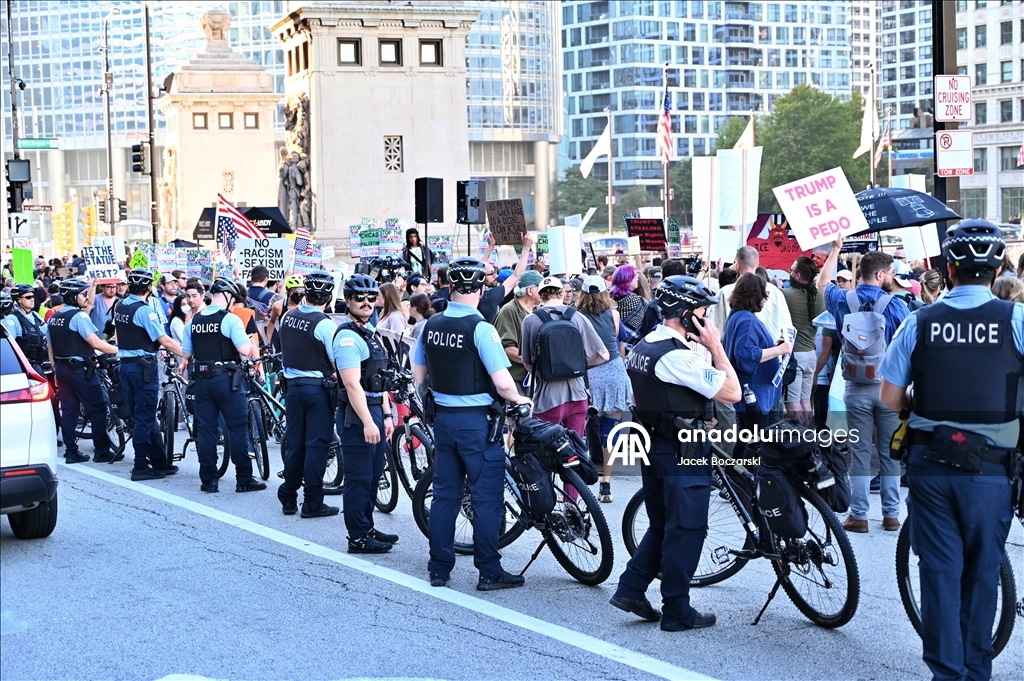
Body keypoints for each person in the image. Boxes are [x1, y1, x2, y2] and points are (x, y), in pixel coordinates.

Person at [879, 221, 1020, 681]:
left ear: (948, 268)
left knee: (939, 572)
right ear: (998, 268)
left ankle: (946, 674)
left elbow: (890, 396)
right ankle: (976, 670)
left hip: (930, 464)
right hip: (991, 469)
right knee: (982, 574)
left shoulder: (918, 321)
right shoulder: (1017, 320)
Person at [610, 275, 741, 631]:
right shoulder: (677, 357)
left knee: (661, 523)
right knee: (688, 526)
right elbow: (732, 392)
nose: (707, 320)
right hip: (682, 448)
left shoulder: (644, 345)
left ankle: (632, 588)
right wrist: (716, 348)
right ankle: (677, 610)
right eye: (702, 312)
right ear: (686, 315)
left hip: (655, 444)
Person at [413, 257, 533, 590]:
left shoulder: (430, 325)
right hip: (477, 423)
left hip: (444, 420)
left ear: (449, 288)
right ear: (481, 289)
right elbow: (504, 382)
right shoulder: (482, 328)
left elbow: (419, 376)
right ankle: (490, 571)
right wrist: (521, 401)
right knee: (486, 497)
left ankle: (438, 568)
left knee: (445, 496)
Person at [817, 241, 908, 533]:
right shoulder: (897, 305)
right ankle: (892, 515)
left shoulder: (843, 300)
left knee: (859, 452)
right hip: (889, 387)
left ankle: (859, 515)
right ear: (880, 275)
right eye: (891, 272)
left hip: (855, 386)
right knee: (889, 451)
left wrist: (835, 250)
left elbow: (822, 282)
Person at [333, 274, 399, 553]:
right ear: (348, 301)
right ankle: (357, 537)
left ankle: (366, 525)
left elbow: (378, 380)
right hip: (356, 414)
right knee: (359, 478)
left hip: (373, 410)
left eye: (371, 297)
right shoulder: (348, 337)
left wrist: (385, 415)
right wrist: (368, 421)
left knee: (373, 476)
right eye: (359, 298)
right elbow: (351, 384)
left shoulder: (369, 333)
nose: (366, 302)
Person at [182, 277, 267, 494]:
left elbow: (187, 353)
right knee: (238, 428)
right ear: (228, 296)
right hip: (227, 381)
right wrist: (249, 343)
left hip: (202, 382)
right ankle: (244, 479)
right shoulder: (230, 320)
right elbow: (245, 350)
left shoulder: (194, 321)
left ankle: (209, 480)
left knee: (207, 430)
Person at [278, 271, 341, 519]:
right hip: (317, 390)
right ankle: (313, 502)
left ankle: (289, 496)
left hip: (293, 389)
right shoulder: (325, 324)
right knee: (317, 446)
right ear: (328, 296)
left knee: (295, 444)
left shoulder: (288, 316)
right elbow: (337, 362)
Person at [113, 268, 184, 481]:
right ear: (149, 287)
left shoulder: (121, 305)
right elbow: (165, 341)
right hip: (143, 368)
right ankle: (140, 466)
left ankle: (160, 461)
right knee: (145, 417)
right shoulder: (145, 311)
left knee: (143, 414)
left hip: (126, 365)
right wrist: (189, 353)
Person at [521, 276, 608, 435]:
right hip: (578, 395)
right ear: (561, 293)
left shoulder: (530, 321)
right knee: (576, 448)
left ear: (541, 295)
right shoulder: (577, 317)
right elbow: (603, 356)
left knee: (548, 449)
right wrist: (579, 366)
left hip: (547, 398)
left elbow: (527, 363)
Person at [48, 279, 119, 464]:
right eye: (82, 293)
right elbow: (96, 343)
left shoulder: (54, 317)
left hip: (63, 369)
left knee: (70, 411)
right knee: (98, 408)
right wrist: (123, 351)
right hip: (80, 370)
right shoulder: (79, 317)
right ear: (73, 296)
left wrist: (56, 368)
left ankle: (71, 451)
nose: (86, 297)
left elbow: (50, 346)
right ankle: (102, 451)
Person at [575, 275, 632, 503]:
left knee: (580, 429)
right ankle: (606, 484)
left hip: (590, 373)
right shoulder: (614, 315)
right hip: (615, 372)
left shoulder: (578, 317)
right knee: (611, 432)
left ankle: (578, 481)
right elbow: (619, 343)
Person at [724, 274, 792, 436]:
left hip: (757, 395)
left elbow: (749, 349)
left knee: (751, 443)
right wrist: (779, 350)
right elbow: (746, 356)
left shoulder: (739, 315)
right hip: (756, 396)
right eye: (765, 295)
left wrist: (771, 347)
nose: (766, 300)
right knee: (756, 446)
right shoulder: (746, 319)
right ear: (755, 296)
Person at [781, 256, 824, 426]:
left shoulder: (786, 295)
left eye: (791, 270)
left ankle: (800, 440)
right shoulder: (818, 295)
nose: (789, 273)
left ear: (798, 275)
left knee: (792, 403)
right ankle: (808, 437)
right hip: (810, 353)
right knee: (806, 401)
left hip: (794, 355)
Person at [492, 270, 543, 396]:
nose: (545, 292)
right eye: (541, 288)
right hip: (516, 381)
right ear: (530, 291)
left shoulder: (538, 310)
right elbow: (507, 348)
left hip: (534, 380)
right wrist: (536, 362)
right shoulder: (509, 311)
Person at [477, 231, 535, 323]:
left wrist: (490, 248)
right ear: (480, 277)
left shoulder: (472, 293)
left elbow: (478, 268)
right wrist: (526, 248)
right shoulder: (490, 297)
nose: (496, 276)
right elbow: (516, 275)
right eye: (491, 274)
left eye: (495, 272)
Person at [266, 275, 305, 351]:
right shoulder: (278, 306)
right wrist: (268, 343)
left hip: (301, 345)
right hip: (283, 344)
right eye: (296, 291)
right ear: (289, 291)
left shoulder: (307, 306)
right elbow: (271, 322)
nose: (299, 293)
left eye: (303, 290)